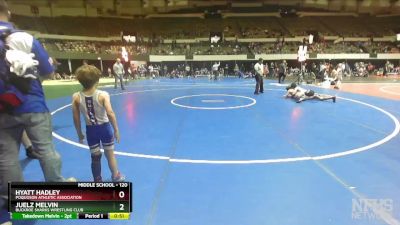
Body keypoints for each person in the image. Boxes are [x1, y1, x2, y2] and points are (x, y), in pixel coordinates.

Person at [0, 0, 74, 210]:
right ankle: (57, 188)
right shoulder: (22, 38)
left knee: (6, 156)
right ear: (9, 13)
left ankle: (12, 199)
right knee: (45, 149)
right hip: (31, 102)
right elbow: (46, 71)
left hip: (2, 107)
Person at [72, 65, 125, 182]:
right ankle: (115, 176)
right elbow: (110, 113)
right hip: (105, 129)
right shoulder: (103, 95)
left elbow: (76, 118)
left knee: (95, 157)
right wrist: (116, 129)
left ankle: (97, 179)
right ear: (97, 80)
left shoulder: (76, 97)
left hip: (91, 130)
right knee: (110, 154)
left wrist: (79, 133)